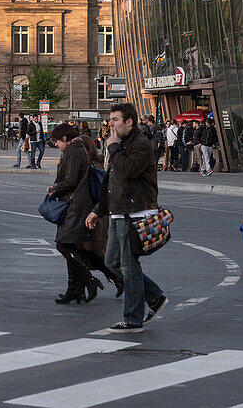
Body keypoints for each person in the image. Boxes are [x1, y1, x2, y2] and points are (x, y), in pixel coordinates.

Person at [85, 103, 167, 334]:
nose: (110, 124)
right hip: (118, 211)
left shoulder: (139, 144)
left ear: (130, 122)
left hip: (135, 213)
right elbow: (111, 184)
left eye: (115, 119)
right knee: (112, 262)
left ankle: (133, 319)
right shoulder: (120, 144)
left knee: (129, 266)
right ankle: (155, 297)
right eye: (110, 119)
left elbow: (129, 171)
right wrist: (98, 210)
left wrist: (113, 148)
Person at [48, 123, 121, 304]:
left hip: (76, 206)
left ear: (65, 138)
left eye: (56, 141)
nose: (56, 145)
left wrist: (54, 190)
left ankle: (89, 281)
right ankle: (75, 289)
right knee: (72, 246)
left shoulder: (74, 152)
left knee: (64, 246)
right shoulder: (75, 151)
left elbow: (70, 180)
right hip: (76, 204)